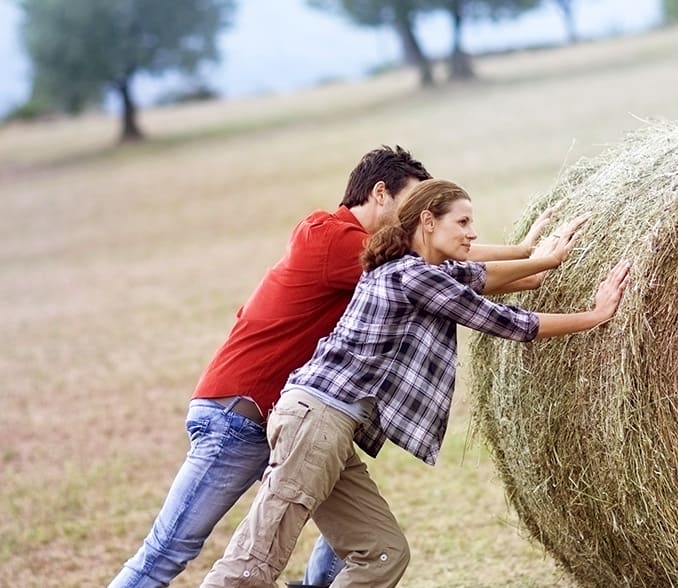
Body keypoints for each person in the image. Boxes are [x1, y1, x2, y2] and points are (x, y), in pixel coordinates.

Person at [108, 147, 552, 588]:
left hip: (310, 415)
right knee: (169, 550)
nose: (420, 219)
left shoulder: (379, 252)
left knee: (361, 546)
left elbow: (444, 266)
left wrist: (527, 257)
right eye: (411, 206)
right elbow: (444, 270)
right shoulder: (333, 238)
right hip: (242, 413)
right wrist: (529, 254)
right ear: (380, 193)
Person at [199, 178, 631, 588]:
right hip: (316, 422)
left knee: (383, 552)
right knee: (253, 563)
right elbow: (507, 321)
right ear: (427, 221)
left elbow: (487, 279)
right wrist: (594, 316)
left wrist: (540, 261)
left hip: (330, 428)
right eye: (461, 222)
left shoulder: (417, 271)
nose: (471, 232)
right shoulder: (414, 276)